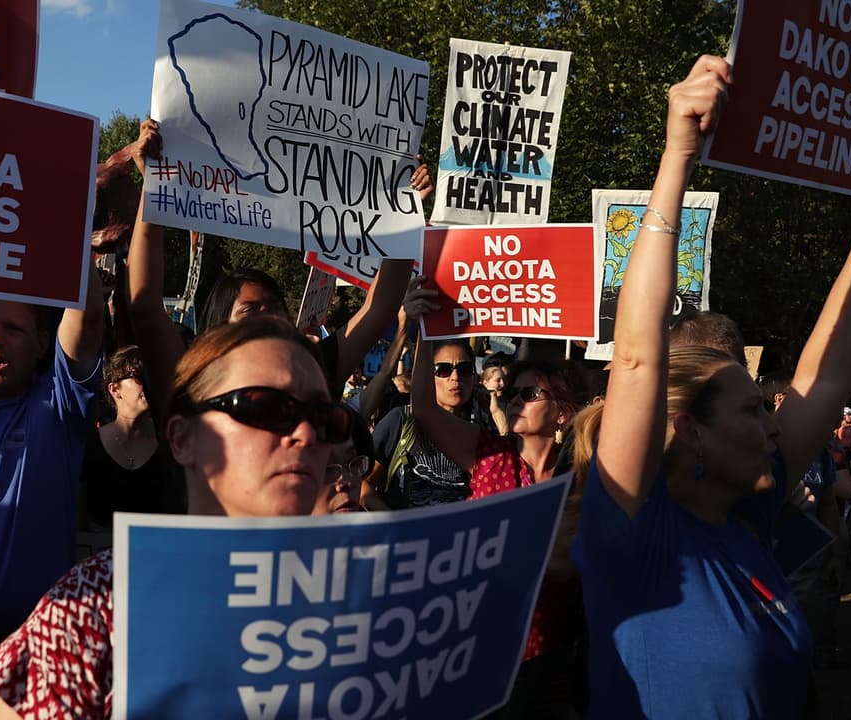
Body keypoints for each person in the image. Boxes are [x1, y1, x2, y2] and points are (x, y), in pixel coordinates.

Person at [571, 54, 851, 718]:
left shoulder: (744, 519)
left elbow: (825, 379)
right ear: (690, 428)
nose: (773, 424)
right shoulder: (631, 532)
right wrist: (678, 157)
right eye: (754, 410)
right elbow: (640, 357)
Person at [0, 315, 353, 718]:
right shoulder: (92, 607)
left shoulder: (372, 602)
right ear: (182, 439)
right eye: (265, 407)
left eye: (324, 417)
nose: (305, 434)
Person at [125, 119, 430, 404]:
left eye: (274, 307)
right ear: (218, 326)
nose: (267, 317)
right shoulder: (193, 381)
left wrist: (402, 211)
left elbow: (380, 308)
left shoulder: (312, 369)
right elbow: (145, 308)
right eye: (250, 310)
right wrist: (154, 187)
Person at [402, 283, 592, 717]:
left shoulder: (581, 477)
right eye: (512, 394)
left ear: (562, 411)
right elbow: (425, 410)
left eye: (529, 394)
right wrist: (425, 329)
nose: (514, 400)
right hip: (481, 649)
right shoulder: (489, 455)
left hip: (556, 657)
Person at [362, 337, 491, 510]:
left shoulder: (482, 431)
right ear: (426, 375)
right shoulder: (400, 420)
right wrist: (394, 524)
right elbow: (363, 485)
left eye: (465, 369)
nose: (455, 377)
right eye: (443, 370)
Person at [78, 345, 184, 528]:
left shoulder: (171, 443)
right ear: (114, 389)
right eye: (138, 377)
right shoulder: (89, 445)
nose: (148, 384)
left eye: (152, 376)